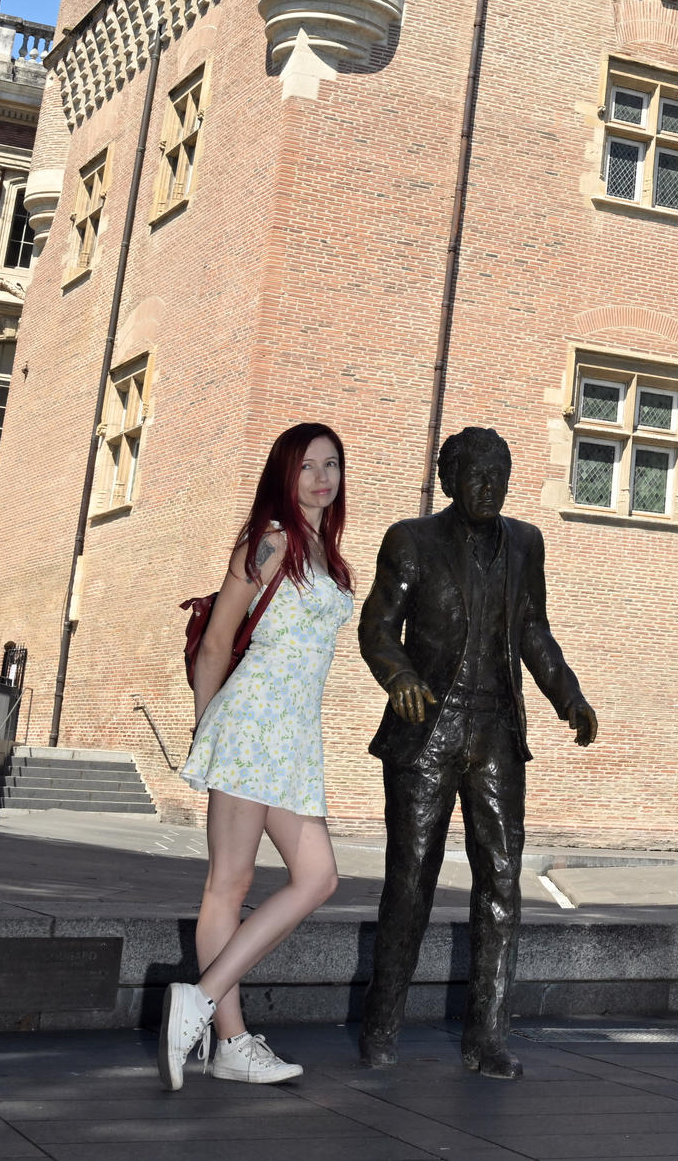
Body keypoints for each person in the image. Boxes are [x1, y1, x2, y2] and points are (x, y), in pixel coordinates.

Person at [356, 427, 598, 1079]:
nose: (491, 485)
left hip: (496, 731)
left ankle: (487, 1034)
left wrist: (567, 695)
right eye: (479, 473)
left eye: (501, 472)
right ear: (452, 478)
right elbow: (377, 626)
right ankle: (381, 1024)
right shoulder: (412, 540)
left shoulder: (526, 542)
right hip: (428, 730)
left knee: (501, 881)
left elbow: (533, 630)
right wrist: (400, 675)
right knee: (411, 881)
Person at [159, 422, 360, 1092]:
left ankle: (204, 995)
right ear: (284, 472)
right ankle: (231, 1041)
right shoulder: (268, 540)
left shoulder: (330, 558)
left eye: (331, 464)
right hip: (249, 726)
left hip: (294, 737)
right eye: (307, 466)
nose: (321, 477)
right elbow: (216, 644)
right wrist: (206, 733)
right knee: (230, 883)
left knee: (319, 876)